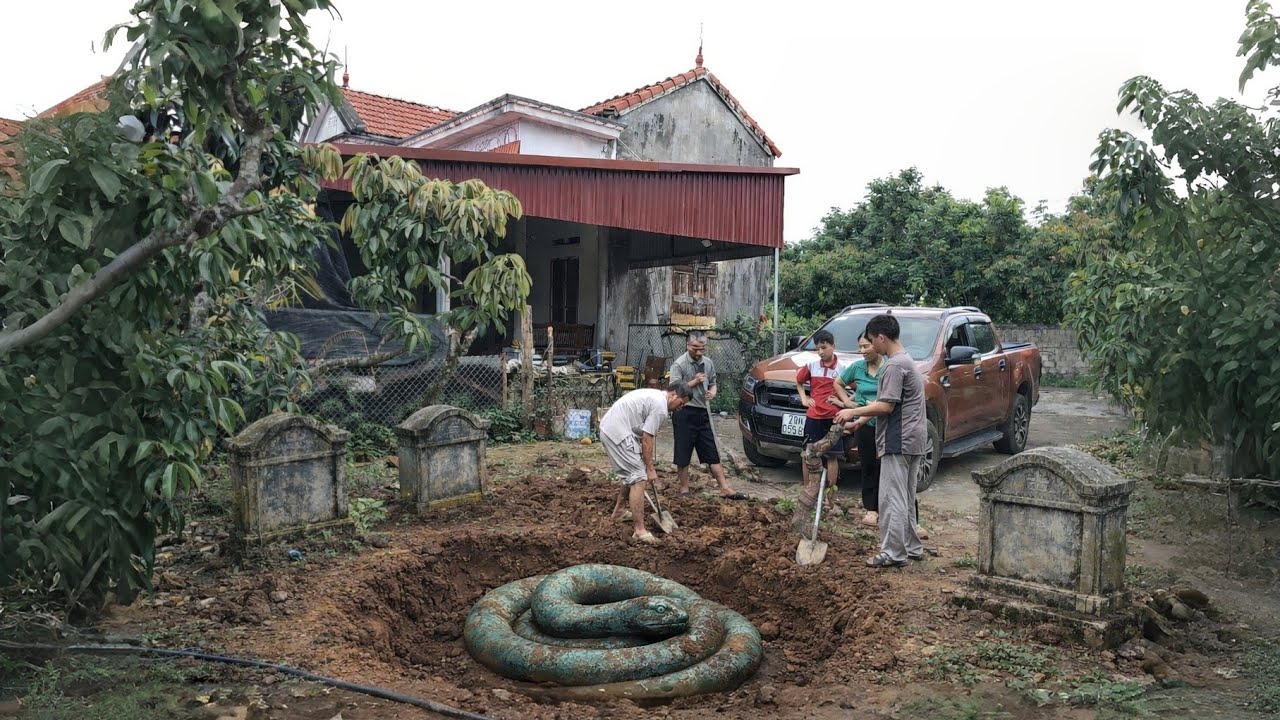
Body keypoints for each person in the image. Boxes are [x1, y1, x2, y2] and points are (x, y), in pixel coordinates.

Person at [831, 314, 927, 568]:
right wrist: (859, 422)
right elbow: (890, 404)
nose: (871, 346)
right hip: (914, 438)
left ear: (882, 338)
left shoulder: (894, 366)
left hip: (899, 439)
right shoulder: (907, 361)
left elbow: (885, 406)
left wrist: (852, 411)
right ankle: (911, 547)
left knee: (891, 497)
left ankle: (894, 553)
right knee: (905, 495)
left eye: (872, 341)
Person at [602, 383, 692, 544]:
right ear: (673, 395)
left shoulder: (656, 397)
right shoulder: (660, 407)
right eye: (681, 403)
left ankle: (619, 512)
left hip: (615, 429)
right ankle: (639, 530)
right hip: (617, 432)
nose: (681, 408)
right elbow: (647, 438)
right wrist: (650, 469)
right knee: (639, 479)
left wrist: (646, 463)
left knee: (634, 474)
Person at [670, 331, 747, 500]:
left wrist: (712, 392)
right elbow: (675, 390)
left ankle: (725, 488)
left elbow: (713, 383)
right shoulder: (679, 364)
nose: (698, 353)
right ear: (687, 346)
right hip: (684, 411)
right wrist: (693, 382)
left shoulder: (708, 363)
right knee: (683, 452)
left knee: (711, 450)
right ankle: (684, 489)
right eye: (695, 348)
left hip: (703, 412)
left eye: (702, 349)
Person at [796, 329, 847, 491]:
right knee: (808, 454)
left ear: (833, 346)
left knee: (832, 456)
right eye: (818, 348)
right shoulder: (811, 366)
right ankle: (808, 491)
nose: (821, 352)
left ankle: (830, 497)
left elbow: (857, 389)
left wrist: (843, 402)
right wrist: (804, 398)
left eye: (824, 348)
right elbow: (798, 381)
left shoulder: (842, 368)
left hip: (833, 417)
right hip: (814, 416)